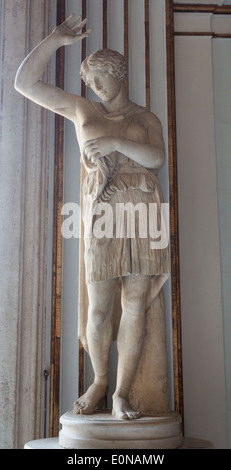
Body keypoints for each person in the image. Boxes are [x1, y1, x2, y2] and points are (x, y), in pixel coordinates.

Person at [15, 14, 169, 420]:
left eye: (101, 77)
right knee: (99, 306)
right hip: (102, 213)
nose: (96, 87)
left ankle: (120, 393)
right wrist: (54, 39)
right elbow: (24, 84)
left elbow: (156, 158)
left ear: (120, 74)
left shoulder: (145, 118)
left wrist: (116, 140)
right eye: (90, 81)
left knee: (134, 301)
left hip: (141, 212)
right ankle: (100, 381)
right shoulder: (83, 109)